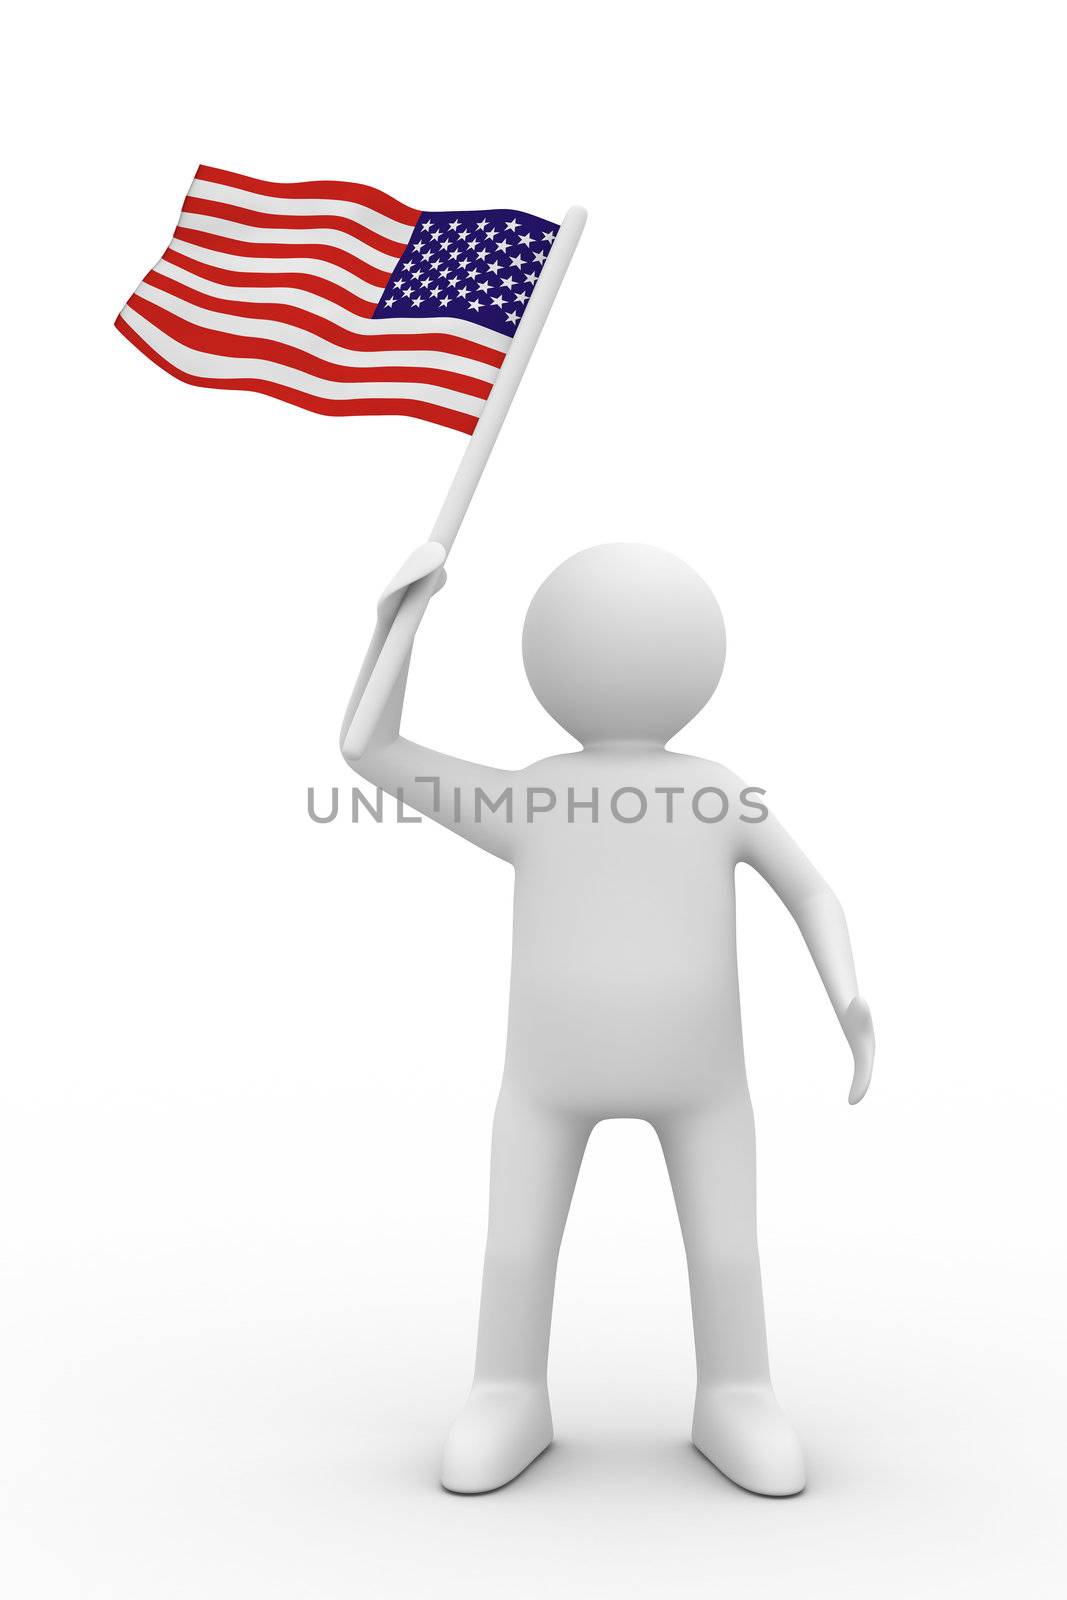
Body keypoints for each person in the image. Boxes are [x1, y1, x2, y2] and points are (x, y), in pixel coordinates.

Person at [340, 540, 874, 1495]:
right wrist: (396, 628)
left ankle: (737, 1392)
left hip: (699, 1080)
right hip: (549, 1080)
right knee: (517, 1244)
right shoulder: (538, 795)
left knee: (722, 1246)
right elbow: (368, 752)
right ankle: (506, 1389)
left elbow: (812, 895)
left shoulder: (709, 792)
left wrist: (849, 996)